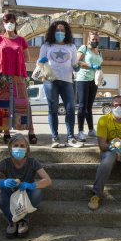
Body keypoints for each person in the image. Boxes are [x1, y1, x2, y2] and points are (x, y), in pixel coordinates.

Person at [0, 133, 52, 238]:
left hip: (26, 195)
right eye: (15, 146)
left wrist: (31, 185)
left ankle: (23, 221)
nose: (19, 148)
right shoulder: (5, 163)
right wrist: (2, 183)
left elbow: (47, 180)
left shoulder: (32, 162)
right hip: (10, 195)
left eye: (22, 146)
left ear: (27, 148)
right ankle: (12, 221)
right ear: (10, 148)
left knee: (39, 189)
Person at [0, 13, 37, 144]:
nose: (9, 23)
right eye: (7, 21)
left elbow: (27, 57)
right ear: (3, 24)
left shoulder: (21, 40)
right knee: (4, 105)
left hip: (18, 77)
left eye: (12, 21)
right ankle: (6, 132)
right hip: (2, 76)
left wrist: (17, 62)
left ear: (15, 23)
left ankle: (31, 131)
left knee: (23, 104)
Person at [37, 20, 83, 148]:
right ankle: (55, 138)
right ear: (53, 31)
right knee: (53, 109)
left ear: (66, 32)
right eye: (57, 30)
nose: (60, 32)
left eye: (62, 30)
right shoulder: (46, 45)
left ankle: (70, 138)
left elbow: (74, 64)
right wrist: (42, 61)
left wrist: (77, 68)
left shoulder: (71, 46)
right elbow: (39, 63)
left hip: (67, 80)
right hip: (50, 81)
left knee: (70, 108)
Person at [76, 31, 103, 142]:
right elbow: (77, 62)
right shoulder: (84, 48)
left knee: (89, 106)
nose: (94, 41)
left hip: (93, 81)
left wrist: (101, 77)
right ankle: (80, 131)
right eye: (93, 39)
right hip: (82, 79)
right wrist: (91, 66)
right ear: (88, 40)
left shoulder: (99, 52)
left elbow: (99, 66)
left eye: (96, 39)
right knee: (82, 105)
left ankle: (91, 130)